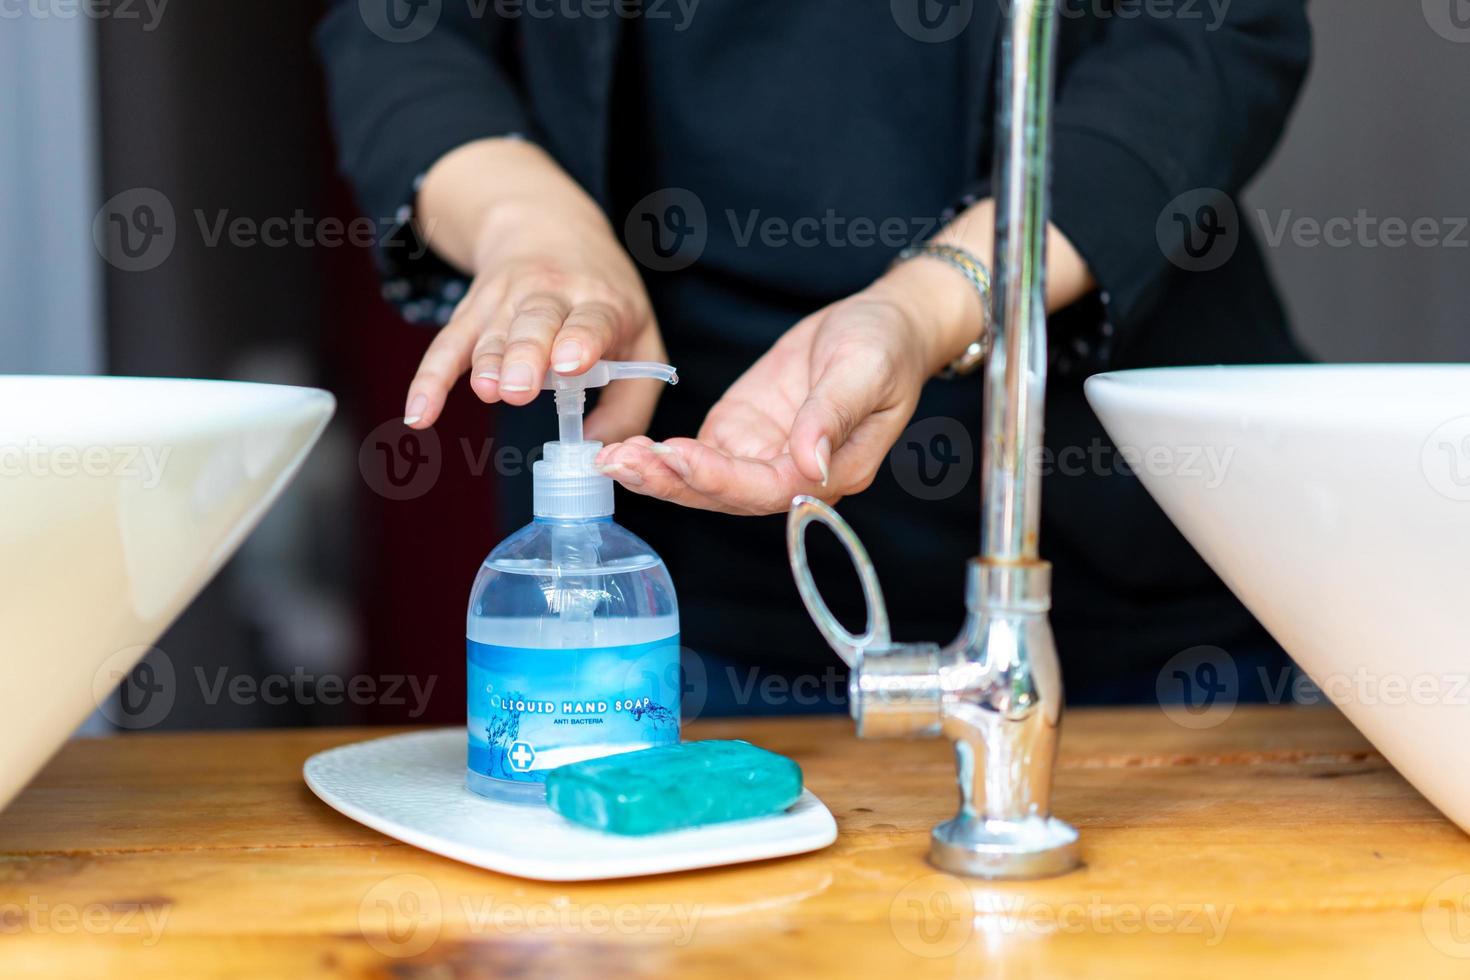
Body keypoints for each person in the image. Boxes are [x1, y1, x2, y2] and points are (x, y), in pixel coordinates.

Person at [318, 0, 1312, 710]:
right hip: (675, 574)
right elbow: (397, 33)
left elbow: (1213, 34)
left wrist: (926, 307)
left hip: (1121, 576)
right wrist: (534, 229)